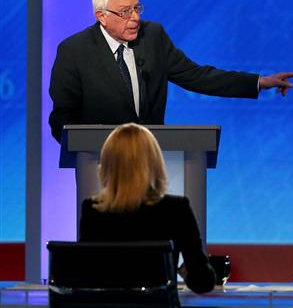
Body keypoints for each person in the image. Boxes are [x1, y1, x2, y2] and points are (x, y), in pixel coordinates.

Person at [49, 0, 293, 143]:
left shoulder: (153, 36)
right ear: (101, 16)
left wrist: (259, 82)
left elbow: (197, 76)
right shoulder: (74, 51)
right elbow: (62, 116)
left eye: (137, 8)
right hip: (101, 165)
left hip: (151, 157)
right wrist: (83, 147)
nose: (135, 18)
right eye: (125, 12)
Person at [79, 123, 216, 294]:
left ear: (107, 164)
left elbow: (85, 277)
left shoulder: (93, 210)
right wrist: (187, 272)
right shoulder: (176, 209)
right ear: (154, 163)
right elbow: (202, 282)